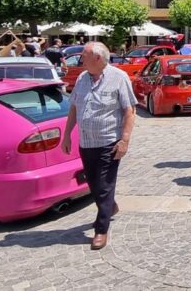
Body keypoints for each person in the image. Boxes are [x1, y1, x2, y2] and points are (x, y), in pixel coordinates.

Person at [61, 42, 136, 250]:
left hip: (108, 142)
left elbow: (129, 111)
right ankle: (109, 206)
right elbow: (74, 107)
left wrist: (124, 140)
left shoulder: (118, 78)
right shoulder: (82, 79)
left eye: (83, 56)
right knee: (94, 184)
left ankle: (101, 230)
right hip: (86, 142)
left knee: (105, 185)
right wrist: (67, 134)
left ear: (97, 58)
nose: (80, 59)